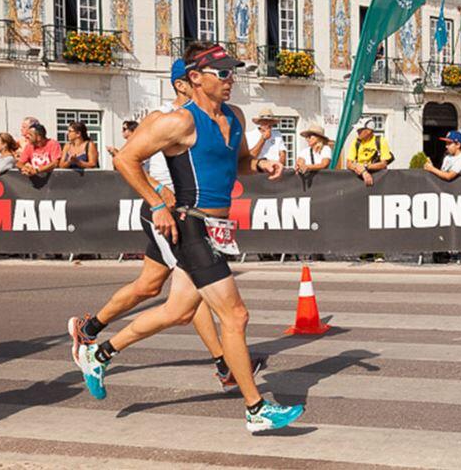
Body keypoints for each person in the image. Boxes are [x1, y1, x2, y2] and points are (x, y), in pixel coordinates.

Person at [74, 42, 304, 432]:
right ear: (195, 78)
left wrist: (262, 164)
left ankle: (99, 353)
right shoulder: (180, 122)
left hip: (218, 228)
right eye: (224, 73)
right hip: (191, 225)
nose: (232, 80)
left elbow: (240, 164)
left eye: (233, 72)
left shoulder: (235, 114)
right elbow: (124, 159)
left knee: (179, 311)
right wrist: (157, 205)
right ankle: (255, 408)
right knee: (235, 315)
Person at [68, 59, 259, 393]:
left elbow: (234, 160)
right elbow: (130, 162)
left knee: (156, 292)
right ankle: (226, 365)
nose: (228, 82)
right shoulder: (165, 120)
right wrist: (159, 201)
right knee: (204, 298)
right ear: (183, 83)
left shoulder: (218, 119)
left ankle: (92, 334)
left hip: (189, 215)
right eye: (186, 81)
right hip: (170, 214)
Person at [346, 118, 393, 187]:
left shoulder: (380, 141)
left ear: (368, 131)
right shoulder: (356, 142)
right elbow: (349, 163)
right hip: (359, 179)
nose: (357, 132)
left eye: (360, 130)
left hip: (379, 180)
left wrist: (365, 166)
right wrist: (363, 172)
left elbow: (383, 164)